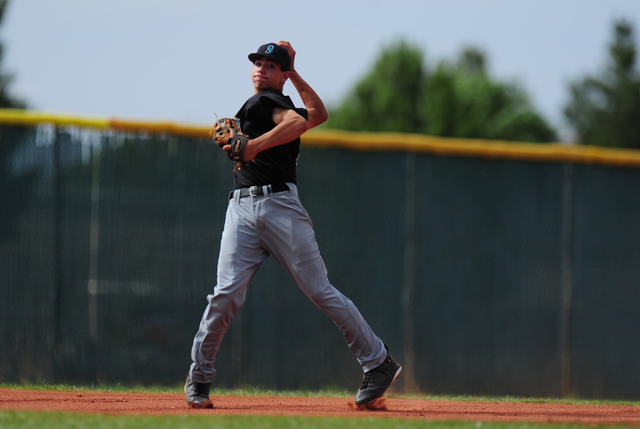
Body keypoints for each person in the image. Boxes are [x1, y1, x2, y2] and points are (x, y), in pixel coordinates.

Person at [184, 41, 401, 409]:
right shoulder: (270, 104)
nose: (261, 69)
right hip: (241, 209)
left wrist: (253, 146)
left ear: (280, 76)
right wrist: (292, 71)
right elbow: (318, 113)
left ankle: (378, 362)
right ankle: (200, 378)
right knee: (225, 294)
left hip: (279, 206)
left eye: (271, 66)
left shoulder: (265, 102)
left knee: (319, 290)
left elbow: (302, 120)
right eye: (258, 63)